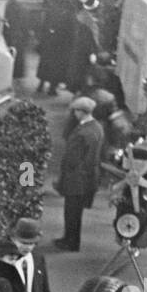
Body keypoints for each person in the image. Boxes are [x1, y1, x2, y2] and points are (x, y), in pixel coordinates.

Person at [54, 97, 104, 252]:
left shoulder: (83, 132)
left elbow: (73, 158)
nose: (74, 114)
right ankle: (69, 238)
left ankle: (71, 242)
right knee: (75, 212)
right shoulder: (96, 127)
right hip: (87, 177)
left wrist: (64, 175)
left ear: (82, 112)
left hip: (76, 178)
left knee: (72, 212)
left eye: (75, 111)